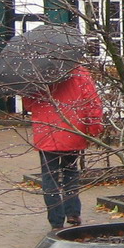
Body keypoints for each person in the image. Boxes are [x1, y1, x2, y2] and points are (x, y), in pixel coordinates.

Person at [25, 66, 104, 230]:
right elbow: (92, 101)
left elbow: (29, 104)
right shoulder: (79, 72)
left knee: (50, 177)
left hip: (46, 131)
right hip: (72, 130)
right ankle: (73, 212)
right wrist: (93, 129)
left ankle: (56, 222)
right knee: (71, 171)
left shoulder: (36, 72)